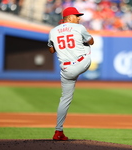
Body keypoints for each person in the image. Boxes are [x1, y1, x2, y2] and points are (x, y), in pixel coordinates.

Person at [47, 7, 94, 141]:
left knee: (64, 99)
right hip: (82, 62)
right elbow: (91, 41)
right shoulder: (79, 28)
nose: (79, 18)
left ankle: (58, 131)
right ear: (69, 18)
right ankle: (59, 132)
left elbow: (51, 50)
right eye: (76, 16)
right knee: (87, 46)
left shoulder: (53, 31)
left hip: (66, 70)